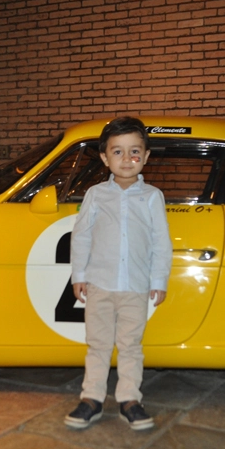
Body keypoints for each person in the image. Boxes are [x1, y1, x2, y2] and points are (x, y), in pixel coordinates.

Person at [64, 116, 172, 431]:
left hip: (135, 287)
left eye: (135, 152)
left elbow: (160, 242)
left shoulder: (152, 196)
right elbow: (82, 236)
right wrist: (79, 275)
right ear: (104, 157)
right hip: (99, 284)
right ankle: (92, 398)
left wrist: (158, 280)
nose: (127, 160)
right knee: (97, 343)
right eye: (118, 152)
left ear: (146, 156)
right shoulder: (96, 195)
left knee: (130, 344)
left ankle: (129, 398)